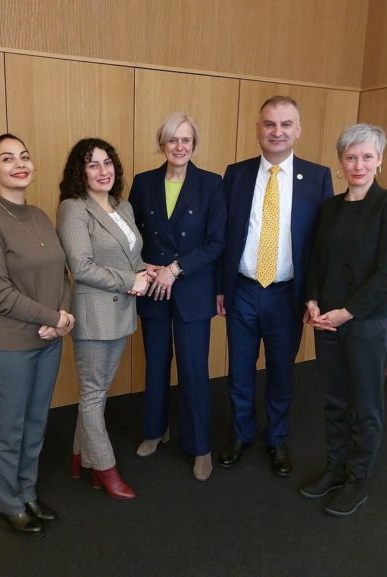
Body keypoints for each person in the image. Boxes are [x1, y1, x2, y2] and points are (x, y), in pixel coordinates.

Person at [217, 96, 333, 476]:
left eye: (286, 124)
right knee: (239, 370)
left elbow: (322, 245)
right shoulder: (235, 173)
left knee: (282, 371)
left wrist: (313, 295)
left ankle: (277, 437)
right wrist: (222, 286)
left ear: (298, 130)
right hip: (244, 290)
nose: (277, 132)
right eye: (269, 124)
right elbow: (225, 234)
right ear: (258, 128)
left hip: (288, 294)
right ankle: (241, 432)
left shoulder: (318, 177)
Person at [300, 123, 387, 516]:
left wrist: (347, 312)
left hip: (366, 322)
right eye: (351, 157)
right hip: (327, 320)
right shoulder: (329, 207)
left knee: (365, 406)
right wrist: (312, 301)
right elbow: (315, 259)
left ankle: (357, 479)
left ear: (379, 160)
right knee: (333, 401)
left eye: (366, 157)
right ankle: (335, 468)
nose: (358, 164)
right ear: (340, 162)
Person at [0, 133, 74, 539]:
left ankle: (27, 492)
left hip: (49, 340)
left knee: (35, 422)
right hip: (10, 345)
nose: (19, 164)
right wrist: (55, 316)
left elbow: (63, 273)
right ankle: (7, 503)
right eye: (7, 158)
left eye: (25, 156)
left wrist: (63, 316)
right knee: (9, 427)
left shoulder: (41, 215)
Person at [128, 112, 226, 481]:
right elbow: (130, 235)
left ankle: (200, 446)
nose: (179, 146)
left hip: (192, 289)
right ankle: (155, 430)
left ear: (194, 145)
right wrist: (146, 266)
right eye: (172, 140)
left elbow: (217, 242)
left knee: (193, 370)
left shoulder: (212, 184)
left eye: (186, 140)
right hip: (153, 288)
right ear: (162, 144)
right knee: (155, 365)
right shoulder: (143, 183)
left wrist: (176, 268)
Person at [56, 138, 149, 499]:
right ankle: (106, 468)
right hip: (94, 315)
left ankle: (80, 457)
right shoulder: (73, 209)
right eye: (92, 164)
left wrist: (146, 270)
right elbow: (80, 267)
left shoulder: (121, 206)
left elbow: (129, 256)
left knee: (96, 393)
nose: (103, 170)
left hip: (121, 313)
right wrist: (132, 280)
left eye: (107, 162)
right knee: (94, 395)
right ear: (80, 171)